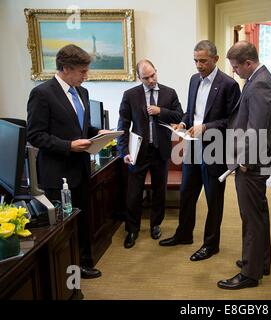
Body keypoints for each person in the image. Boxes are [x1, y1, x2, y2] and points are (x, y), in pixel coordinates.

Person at [27, 44, 110, 279]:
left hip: (81, 169)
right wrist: (68, 146)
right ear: (65, 68)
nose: (86, 76)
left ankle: (83, 263)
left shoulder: (82, 92)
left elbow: (79, 127)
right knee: (63, 229)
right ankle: (65, 273)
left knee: (82, 219)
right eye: (82, 72)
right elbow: (35, 135)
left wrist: (98, 132)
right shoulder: (42, 94)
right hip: (57, 173)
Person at [158, 40, 240, 261]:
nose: (198, 65)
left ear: (215, 59)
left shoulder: (229, 85)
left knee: (213, 199)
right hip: (192, 145)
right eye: (195, 60)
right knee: (187, 193)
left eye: (203, 61)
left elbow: (232, 122)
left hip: (215, 148)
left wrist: (206, 127)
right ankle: (184, 234)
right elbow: (190, 112)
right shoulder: (194, 80)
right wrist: (183, 124)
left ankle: (211, 245)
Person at [217, 41, 271, 290]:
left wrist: (245, 160)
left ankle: (250, 274)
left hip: (251, 164)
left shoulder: (259, 83)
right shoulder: (257, 78)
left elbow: (257, 127)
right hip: (256, 160)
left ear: (248, 63)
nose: (234, 72)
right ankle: (260, 262)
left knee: (250, 217)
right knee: (259, 214)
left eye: (235, 67)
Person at [118, 59, 183, 249]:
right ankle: (132, 229)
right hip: (138, 152)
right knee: (134, 193)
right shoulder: (130, 95)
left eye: (153, 75)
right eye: (146, 78)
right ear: (139, 78)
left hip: (160, 151)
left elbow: (179, 115)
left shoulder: (169, 93)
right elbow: (123, 126)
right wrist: (124, 152)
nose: (151, 80)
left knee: (159, 190)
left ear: (156, 71)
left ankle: (156, 224)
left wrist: (160, 111)